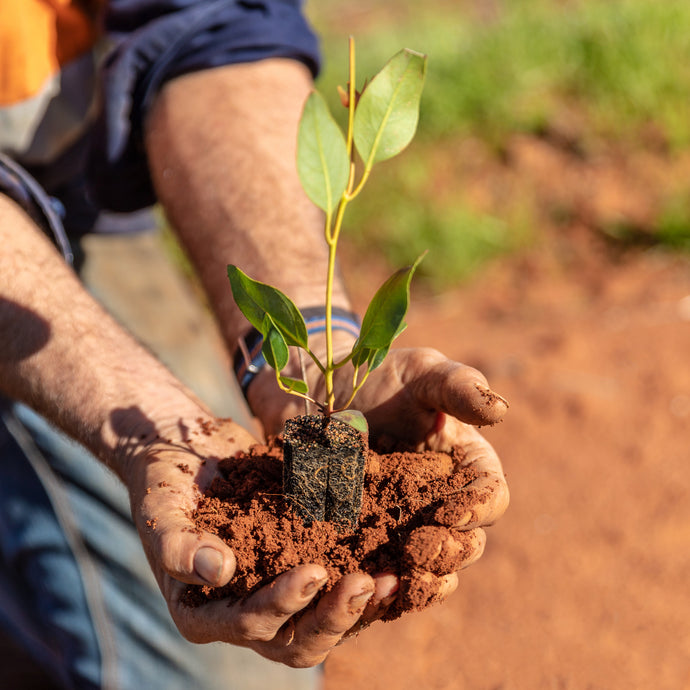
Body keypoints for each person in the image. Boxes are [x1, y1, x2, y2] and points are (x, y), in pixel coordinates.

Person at [0, 1, 509, 688]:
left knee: (255, 658)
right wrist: (122, 412)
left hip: (63, 192)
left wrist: (310, 351)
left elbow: (211, 28)